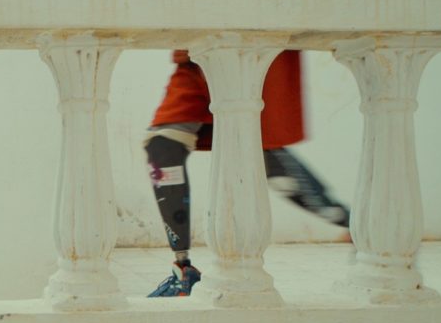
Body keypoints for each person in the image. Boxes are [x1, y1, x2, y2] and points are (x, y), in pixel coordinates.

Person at [145, 50, 350, 297]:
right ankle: (183, 271)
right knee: (163, 146)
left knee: (258, 145)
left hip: (251, 49)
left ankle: (351, 222)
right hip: (195, 52)